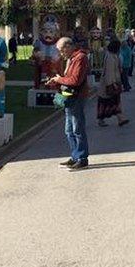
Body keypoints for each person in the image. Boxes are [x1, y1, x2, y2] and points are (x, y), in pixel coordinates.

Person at [49, 37, 91, 170]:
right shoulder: (71, 58)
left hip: (77, 96)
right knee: (69, 130)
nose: (61, 53)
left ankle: (82, 158)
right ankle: (75, 156)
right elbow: (68, 78)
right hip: (69, 96)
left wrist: (59, 79)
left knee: (77, 128)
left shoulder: (80, 57)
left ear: (69, 46)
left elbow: (75, 80)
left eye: (62, 50)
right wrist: (56, 80)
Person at [97, 40, 130, 127]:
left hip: (114, 81)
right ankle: (120, 118)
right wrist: (112, 83)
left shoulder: (113, 55)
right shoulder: (110, 57)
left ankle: (118, 118)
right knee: (112, 101)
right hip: (110, 83)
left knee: (111, 102)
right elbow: (109, 72)